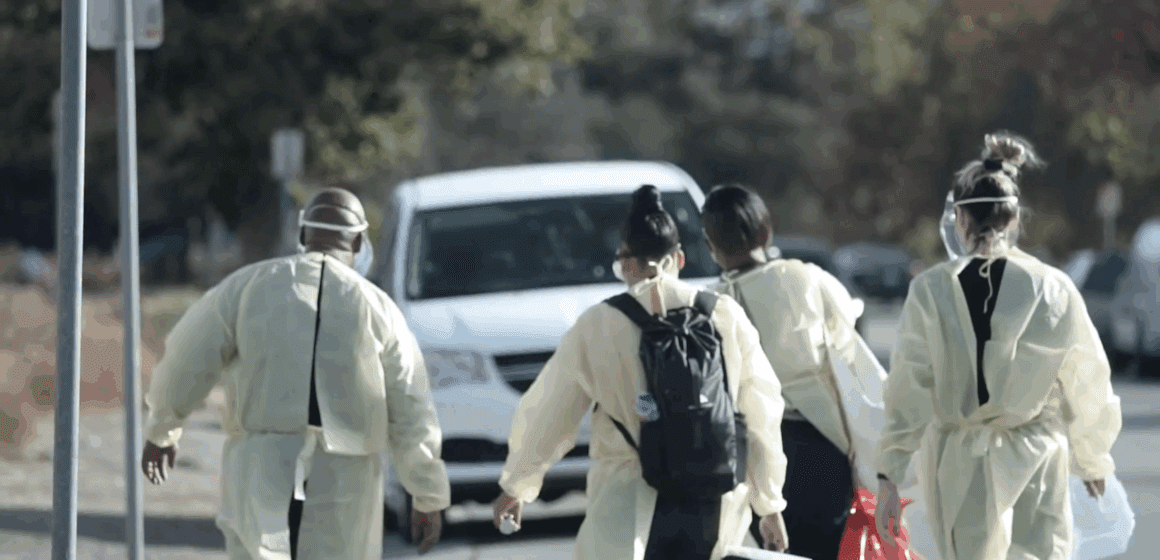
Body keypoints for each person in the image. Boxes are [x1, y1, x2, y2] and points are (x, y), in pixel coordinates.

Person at [141, 187, 451, 560]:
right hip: (344, 480)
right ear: (356, 242)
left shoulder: (245, 288)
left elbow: (187, 357)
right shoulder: (378, 308)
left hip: (260, 465)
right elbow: (411, 408)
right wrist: (427, 494)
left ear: (303, 235)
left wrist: (163, 429)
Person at [492, 185, 791, 560]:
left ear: (627, 264)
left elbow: (550, 411)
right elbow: (762, 413)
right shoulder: (724, 315)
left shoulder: (598, 324)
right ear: (679, 258)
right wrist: (769, 504)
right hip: (714, 499)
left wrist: (517, 485)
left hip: (627, 502)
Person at [874, 132, 1123, 560]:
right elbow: (1087, 376)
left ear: (960, 220)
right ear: (1014, 220)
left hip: (960, 464)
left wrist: (889, 476)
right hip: (1038, 455)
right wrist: (1092, 457)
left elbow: (909, 386)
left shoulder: (931, 291)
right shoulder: (1053, 288)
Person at [701, 183, 874, 560]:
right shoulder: (805, 277)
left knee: (780, 553)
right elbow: (847, 337)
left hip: (753, 453)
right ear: (766, 232)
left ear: (710, 244)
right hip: (818, 441)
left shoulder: (711, 305)